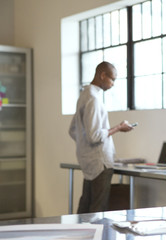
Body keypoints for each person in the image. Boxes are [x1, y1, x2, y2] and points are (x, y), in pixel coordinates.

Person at [69, 61, 134, 213]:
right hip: (100, 163)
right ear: (102, 75)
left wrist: (84, 147)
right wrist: (119, 127)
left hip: (88, 160)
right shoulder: (93, 99)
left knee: (85, 207)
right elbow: (94, 136)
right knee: (98, 209)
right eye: (112, 79)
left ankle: (79, 236)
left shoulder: (84, 95)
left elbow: (72, 130)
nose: (113, 84)